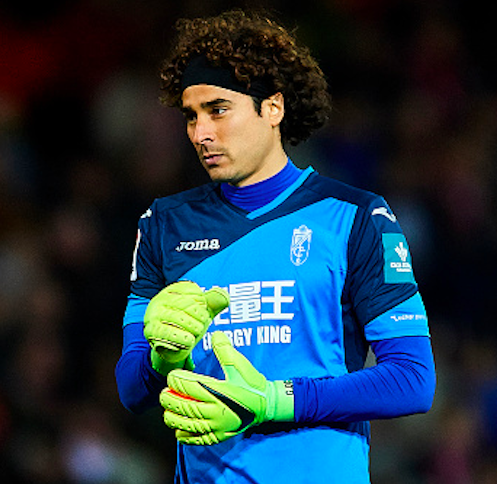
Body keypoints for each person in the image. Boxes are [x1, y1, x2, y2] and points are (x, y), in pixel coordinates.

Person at [115, 10, 435, 483]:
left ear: (273, 108)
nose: (201, 133)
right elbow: (131, 389)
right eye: (191, 116)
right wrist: (163, 357)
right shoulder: (164, 224)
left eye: (218, 110)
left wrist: (274, 401)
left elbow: (413, 378)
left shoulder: (356, 217)